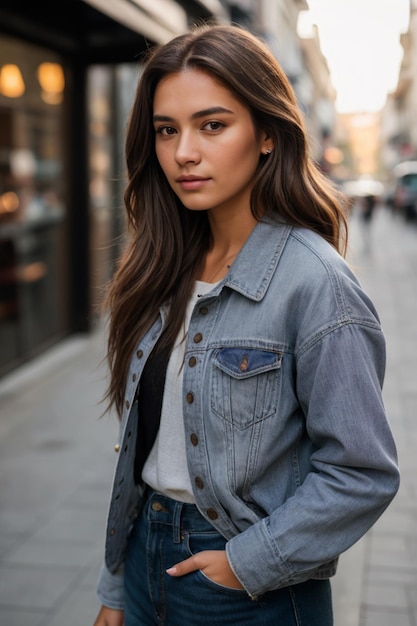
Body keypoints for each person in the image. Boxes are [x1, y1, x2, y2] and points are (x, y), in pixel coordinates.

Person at [93, 23, 399, 626]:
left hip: (246, 588)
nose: (184, 152)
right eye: (166, 130)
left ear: (265, 133)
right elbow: (140, 451)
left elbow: (362, 472)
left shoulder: (317, 284)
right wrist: (114, 583)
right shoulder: (163, 266)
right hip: (142, 558)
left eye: (212, 125)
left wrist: (244, 564)